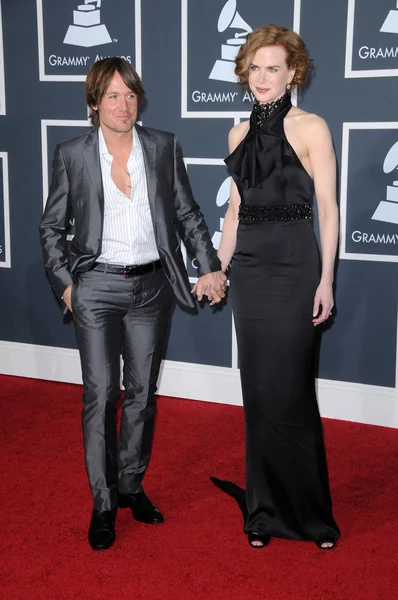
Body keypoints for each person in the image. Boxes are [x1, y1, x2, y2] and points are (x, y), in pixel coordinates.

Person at [39, 57, 226, 551]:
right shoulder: (72, 154)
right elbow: (51, 228)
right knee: (101, 395)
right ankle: (102, 503)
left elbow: (186, 211)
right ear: (94, 101)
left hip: (152, 288)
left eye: (130, 95)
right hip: (96, 289)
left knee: (142, 394)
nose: (124, 105)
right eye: (113, 96)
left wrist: (208, 264)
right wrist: (66, 285)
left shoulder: (163, 146)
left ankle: (129, 485)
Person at [211, 24, 340, 550]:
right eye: (255, 68)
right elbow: (235, 210)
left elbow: (328, 211)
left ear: (293, 74)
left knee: (293, 392)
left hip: (295, 266)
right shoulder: (237, 134)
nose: (262, 77)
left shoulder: (312, 128)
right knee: (260, 394)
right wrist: (218, 266)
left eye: (273, 68)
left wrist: (327, 278)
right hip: (251, 271)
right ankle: (262, 512)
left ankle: (312, 518)